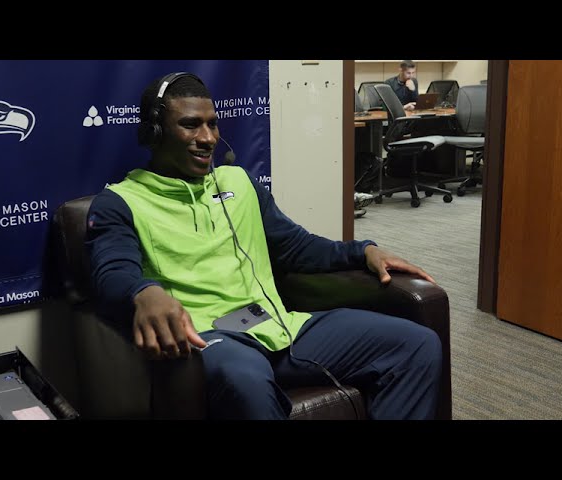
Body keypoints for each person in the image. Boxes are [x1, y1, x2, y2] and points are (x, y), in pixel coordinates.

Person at [85, 72, 442, 420]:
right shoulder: (120, 201)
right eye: (191, 125)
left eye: (213, 124)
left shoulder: (238, 182)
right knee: (246, 382)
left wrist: (364, 250)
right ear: (155, 133)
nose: (208, 138)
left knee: (415, 344)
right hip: (212, 341)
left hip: (277, 325)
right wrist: (144, 292)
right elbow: (112, 272)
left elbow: (297, 246)